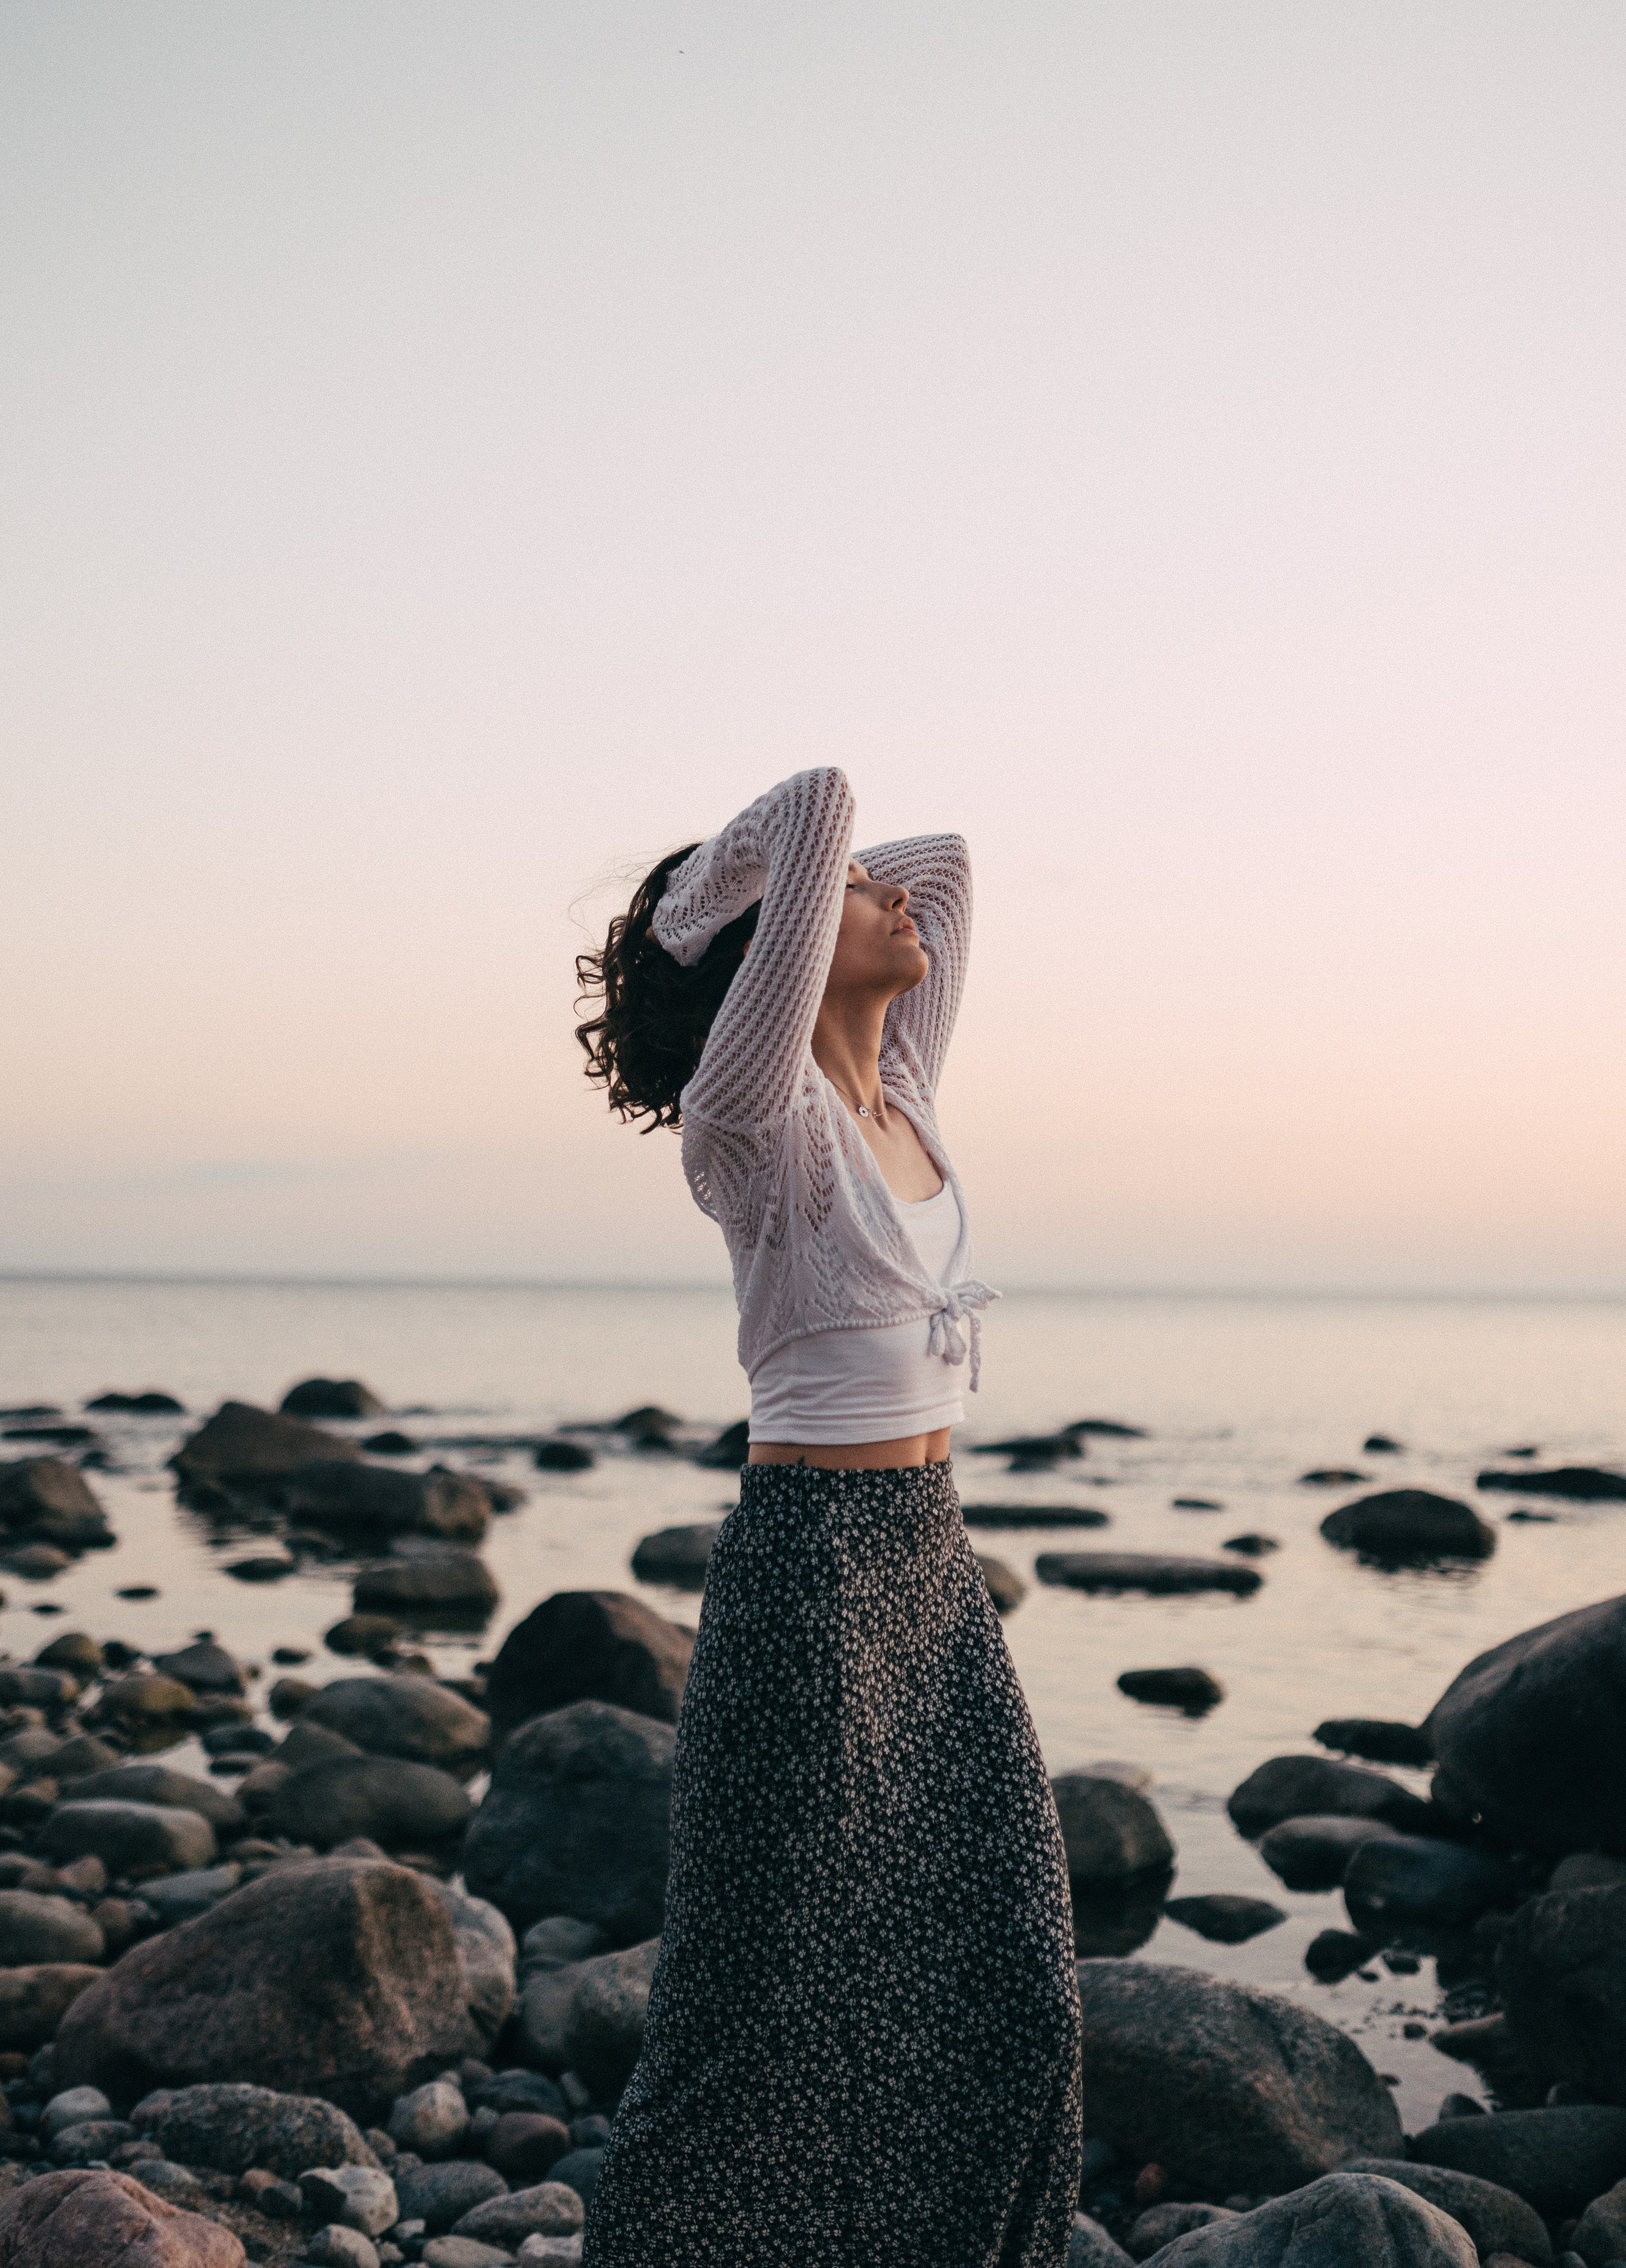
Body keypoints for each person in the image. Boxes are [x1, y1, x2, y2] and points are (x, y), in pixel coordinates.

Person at [573, 766, 1082, 2267]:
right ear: (770, 947)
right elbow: (821, 802)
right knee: (752, 2007)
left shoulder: (897, 1094)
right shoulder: (751, 1119)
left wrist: (832, 888)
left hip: (930, 1567)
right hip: (805, 1579)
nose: (891, 893)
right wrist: (690, 911)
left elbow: (950, 856)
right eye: (853, 892)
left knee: (1013, 1977)